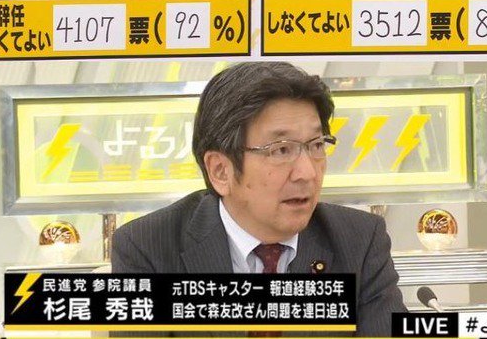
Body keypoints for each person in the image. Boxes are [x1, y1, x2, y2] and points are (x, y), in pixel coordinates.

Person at [112, 62, 406, 336]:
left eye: (316, 145)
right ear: (220, 171)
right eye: (281, 149)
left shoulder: (360, 240)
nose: (307, 172)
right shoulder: (147, 248)